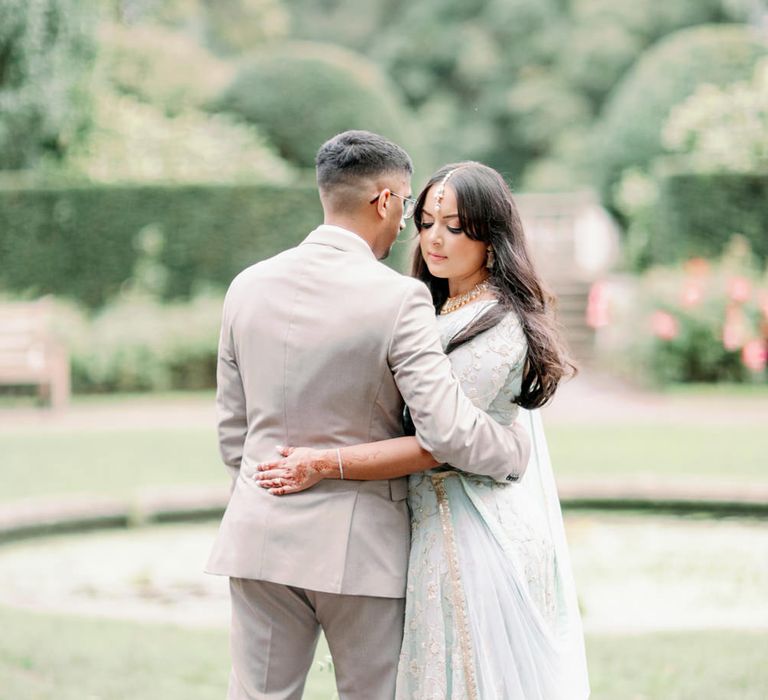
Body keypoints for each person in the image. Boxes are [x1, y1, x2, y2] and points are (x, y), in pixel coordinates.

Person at [206, 133, 532, 700]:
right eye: (409, 208)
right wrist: (511, 450)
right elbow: (447, 431)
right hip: (361, 551)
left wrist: (264, 498)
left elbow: (233, 433)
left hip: (258, 533)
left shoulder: (245, 287)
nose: (411, 226)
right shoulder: (398, 298)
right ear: (384, 202)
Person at [255, 162, 591, 699]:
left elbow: (440, 444)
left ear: (491, 235)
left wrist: (323, 463)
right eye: (427, 220)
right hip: (427, 524)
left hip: (472, 529)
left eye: (455, 227)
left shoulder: (498, 323)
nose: (435, 238)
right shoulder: (428, 303)